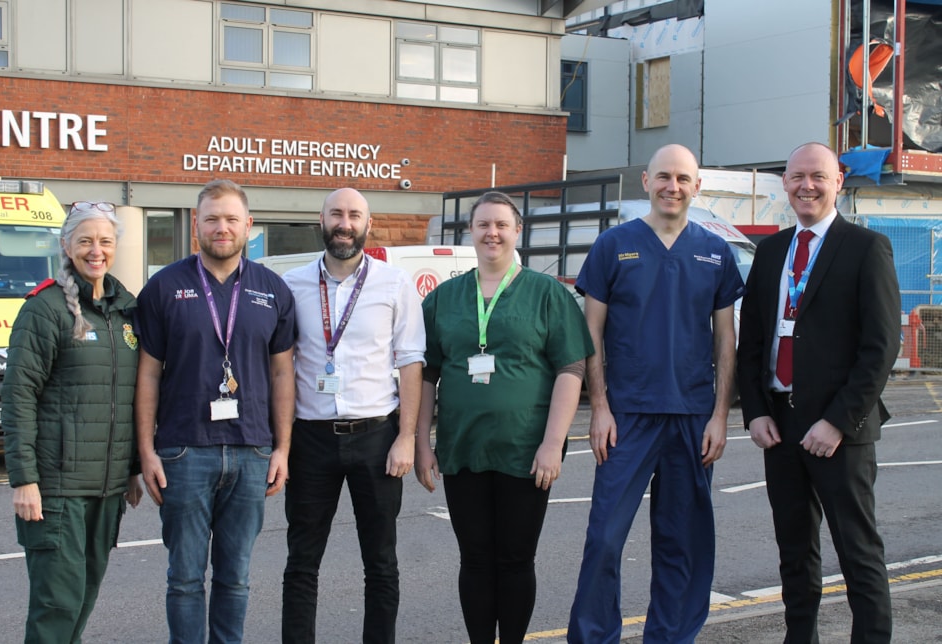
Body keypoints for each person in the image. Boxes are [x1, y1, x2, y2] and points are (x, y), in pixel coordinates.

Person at [567, 144, 746, 643]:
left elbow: (725, 340)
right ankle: (594, 636)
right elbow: (591, 333)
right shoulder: (613, 245)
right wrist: (598, 408)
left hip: (692, 418)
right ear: (646, 181)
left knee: (681, 544)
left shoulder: (715, 252)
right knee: (604, 539)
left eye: (683, 178)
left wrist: (720, 416)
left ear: (696, 187)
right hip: (626, 416)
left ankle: (670, 636)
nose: (673, 186)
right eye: (664, 176)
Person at [737, 142, 900, 643]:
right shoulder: (769, 250)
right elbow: (755, 341)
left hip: (838, 430)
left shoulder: (865, 247)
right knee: (794, 548)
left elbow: (881, 347)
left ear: (838, 183)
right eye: (797, 176)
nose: (807, 185)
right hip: (779, 425)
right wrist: (756, 413)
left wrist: (836, 421)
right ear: (784, 183)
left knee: (857, 550)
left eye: (818, 176)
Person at [415, 191, 593, 644]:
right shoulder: (444, 298)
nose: (491, 233)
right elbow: (426, 376)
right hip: (462, 449)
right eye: (483, 225)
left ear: (518, 231)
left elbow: (571, 369)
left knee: (516, 559)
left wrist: (554, 443)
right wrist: (420, 442)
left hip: (526, 452)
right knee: (474, 559)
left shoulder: (547, 293)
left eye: (501, 224)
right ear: (471, 232)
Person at [135, 179, 297, 643]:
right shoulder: (165, 287)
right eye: (211, 219)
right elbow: (147, 374)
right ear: (196, 225)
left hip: (251, 452)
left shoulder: (272, 290)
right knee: (184, 579)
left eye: (230, 219)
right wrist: (147, 451)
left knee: (236, 578)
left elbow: (283, 375)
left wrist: (282, 448)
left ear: (248, 225)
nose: (221, 228)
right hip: (184, 452)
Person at [281, 187, 425, 644]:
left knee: (381, 562)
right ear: (321, 220)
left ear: (367, 223)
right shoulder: (292, 284)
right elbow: (280, 367)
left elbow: (411, 362)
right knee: (301, 561)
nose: (345, 223)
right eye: (337, 214)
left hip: (376, 437)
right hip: (310, 439)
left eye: (354, 215)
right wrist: (281, 445)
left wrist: (406, 437)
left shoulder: (394, 283)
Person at [2, 200, 143, 643]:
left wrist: (133, 468)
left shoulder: (126, 310)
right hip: (57, 489)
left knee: (81, 599)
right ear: (66, 245)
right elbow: (19, 396)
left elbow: (130, 396)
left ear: (115, 245)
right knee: (56, 608)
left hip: (107, 487)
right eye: (85, 241)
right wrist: (24, 479)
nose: (95, 250)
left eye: (104, 241)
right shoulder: (44, 310)